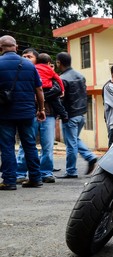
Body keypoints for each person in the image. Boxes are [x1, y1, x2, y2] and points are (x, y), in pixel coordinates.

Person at [0, 36, 46, 190]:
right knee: (30, 145)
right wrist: (41, 109)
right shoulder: (29, 65)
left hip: (5, 114)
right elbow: (39, 89)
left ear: (1, 48)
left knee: (7, 146)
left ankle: (9, 181)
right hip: (27, 112)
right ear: (16, 46)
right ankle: (35, 178)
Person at [15, 49, 61, 184]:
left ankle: (46, 172)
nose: (26, 58)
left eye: (29, 56)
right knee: (25, 145)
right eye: (24, 56)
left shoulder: (48, 74)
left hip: (49, 114)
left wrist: (40, 97)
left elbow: (58, 89)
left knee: (47, 146)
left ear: (37, 59)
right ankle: (20, 173)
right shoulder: (22, 74)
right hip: (29, 114)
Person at [55, 52, 97, 178]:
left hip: (70, 115)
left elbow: (60, 99)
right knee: (73, 140)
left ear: (58, 63)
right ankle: (90, 157)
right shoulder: (80, 76)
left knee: (71, 143)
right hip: (81, 114)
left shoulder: (62, 79)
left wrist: (60, 115)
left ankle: (71, 171)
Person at [35, 53, 68, 122]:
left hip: (37, 88)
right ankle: (64, 115)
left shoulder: (34, 67)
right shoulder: (49, 69)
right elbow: (59, 80)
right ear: (49, 63)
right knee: (56, 103)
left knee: (38, 101)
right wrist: (62, 90)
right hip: (48, 88)